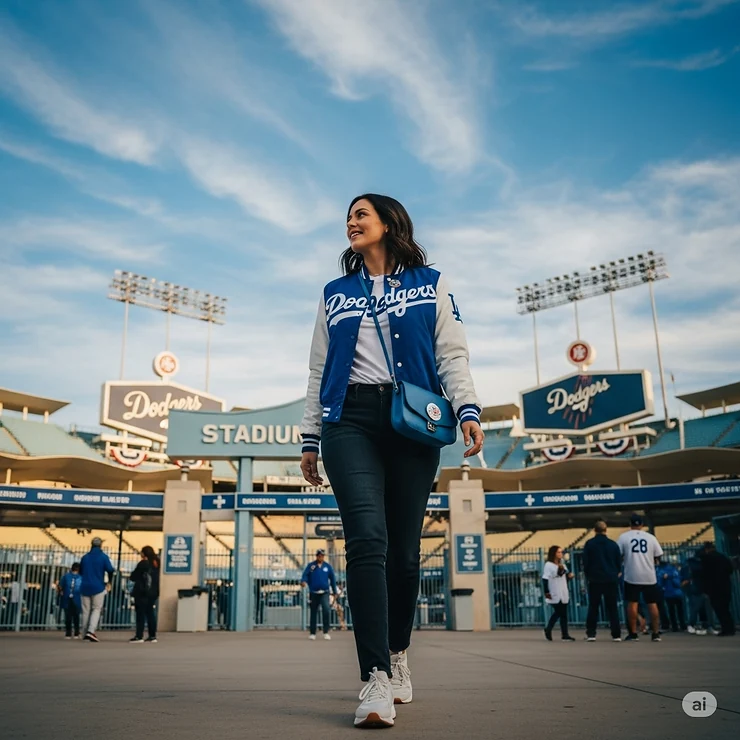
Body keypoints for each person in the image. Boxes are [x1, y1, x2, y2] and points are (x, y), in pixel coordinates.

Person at [299, 194, 484, 728]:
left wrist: (468, 409)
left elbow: (451, 354)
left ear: (389, 223)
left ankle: (399, 655)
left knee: (404, 552)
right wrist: (311, 436)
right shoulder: (335, 293)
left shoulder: (431, 283)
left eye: (362, 214)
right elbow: (317, 369)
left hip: (413, 419)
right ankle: (374, 678)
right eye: (348, 217)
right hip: (348, 420)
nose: (351, 222)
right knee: (367, 541)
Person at [617, 514, 664, 642]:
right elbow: (658, 555)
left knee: (632, 604)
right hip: (649, 575)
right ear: (642, 525)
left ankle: (633, 633)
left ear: (630, 524)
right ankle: (655, 633)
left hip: (632, 574)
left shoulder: (624, 537)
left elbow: (618, 555)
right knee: (652, 604)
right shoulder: (650, 537)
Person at [582, 520, 622, 642]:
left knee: (593, 607)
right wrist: (615, 573)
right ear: (606, 530)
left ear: (594, 530)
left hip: (595, 579)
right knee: (612, 607)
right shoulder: (613, 545)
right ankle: (616, 634)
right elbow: (618, 562)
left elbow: (585, 562)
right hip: (610, 579)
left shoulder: (589, 544)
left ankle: (591, 633)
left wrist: (588, 575)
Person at [79, 537, 115, 643]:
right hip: (98, 587)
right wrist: (109, 582)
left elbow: (81, 571)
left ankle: (84, 632)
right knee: (96, 609)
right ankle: (91, 631)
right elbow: (110, 570)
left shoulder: (85, 557)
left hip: (84, 586)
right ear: (100, 546)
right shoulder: (103, 557)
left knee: (85, 610)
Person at [699, 542, 736, 636]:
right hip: (725, 586)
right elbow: (730, 570)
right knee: (726, 609)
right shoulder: (723, 557)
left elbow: (705, 575)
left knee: (719, 609)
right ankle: (730, 628)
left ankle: (725, 629)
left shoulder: (707, 559)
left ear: (706, 549)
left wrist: (705, 589)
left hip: (714, 588)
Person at [301, 549, 338, 641]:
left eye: (321, 555)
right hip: (314, 593)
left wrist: (335, 592)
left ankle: (326, 631)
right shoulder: (312, 566)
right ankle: (312, 633)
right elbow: (305, 575)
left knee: (326, 610)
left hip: (325, 592)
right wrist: (303, 581)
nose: (320, 557)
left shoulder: (327, 567)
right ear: (316, 556)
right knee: (313, 612)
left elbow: (332, 579)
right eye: (318, 555)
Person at [542, 545, 575, 642]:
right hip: (554, 591)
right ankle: (549, 629)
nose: (561, 554)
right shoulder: (548, 565)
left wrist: (569, 576)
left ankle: (564, 634)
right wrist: (546, 591)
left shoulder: (563, 565)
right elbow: (545, 578)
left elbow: (564, 578)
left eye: (561, 552)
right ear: (554, 554)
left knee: (563, 613)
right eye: (558, 552)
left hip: (563, 591)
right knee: (559, 612)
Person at [129, 546, 160, 643]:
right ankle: (152, 636)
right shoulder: (156, 563)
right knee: (150, 614)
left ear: (144, 553)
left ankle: (139, 636)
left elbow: (133, 577)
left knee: (140, 614)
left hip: (142, 592)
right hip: (153, 592)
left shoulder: (143, 564)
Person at [681, 549, 717, 635]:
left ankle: (698, 625)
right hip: (700, 588)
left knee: (696, 608)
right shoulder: (700, 565)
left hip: (695, 589)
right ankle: (706, 626)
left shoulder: (689, 565)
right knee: (702, 608)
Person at [656, 558, 686, 632]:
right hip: (678, 592)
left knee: (671, 611)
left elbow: (659, 583)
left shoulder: (661, 571)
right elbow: (678, 581)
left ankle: (674, 626)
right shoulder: (674, 570)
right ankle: (683, 625)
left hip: (668, 593)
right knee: (680, 610)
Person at [57, 562, 82, 639]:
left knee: (68, 616)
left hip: (66, 598)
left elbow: (60, 587)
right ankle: (76, 633)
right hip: (77, 599)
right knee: (76, 616)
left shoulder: (66, 576)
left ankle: (68, 633)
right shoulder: (81, 577)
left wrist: (61, 592)